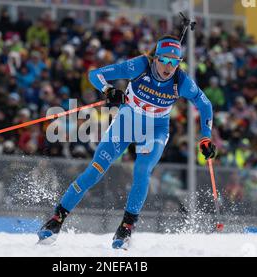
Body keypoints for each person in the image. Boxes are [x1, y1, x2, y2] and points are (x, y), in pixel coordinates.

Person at [37, 35, 215, 249]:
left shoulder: (182, 82)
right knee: (95, 170)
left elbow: (205, 106)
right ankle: (57, 219)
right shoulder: (139, 66)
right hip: (126, 124)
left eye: (174, 62)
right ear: (156, 58)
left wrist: (206, 136)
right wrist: (108, 91)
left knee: (141, 170)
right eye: (165, 60)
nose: (169, 67)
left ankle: (126, 228)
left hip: (155, 130)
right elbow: (95, 75)